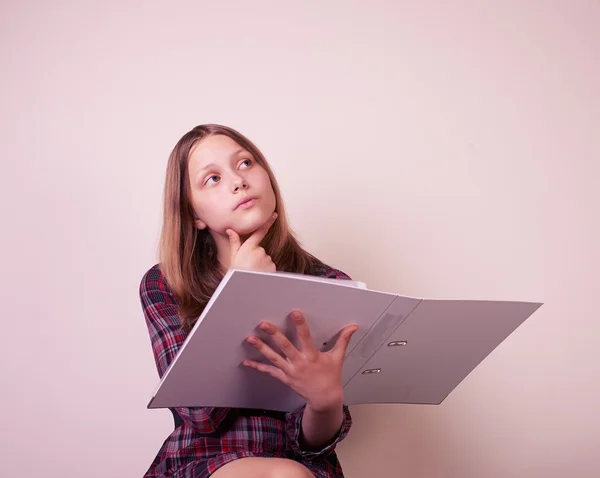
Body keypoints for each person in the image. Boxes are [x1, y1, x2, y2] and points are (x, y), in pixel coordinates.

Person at [139, 124, 359, 478]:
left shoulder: (331, 284)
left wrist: (326, 400)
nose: (238, 181)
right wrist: (240, 290)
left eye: (245, 164)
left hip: (302, 467)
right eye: (212, 178)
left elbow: (313, 442)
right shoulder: (164, 284)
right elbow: (199, 414)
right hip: (204, 461)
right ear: (194, 214)